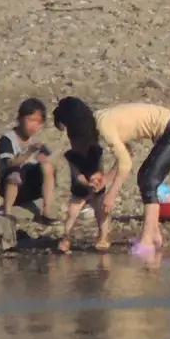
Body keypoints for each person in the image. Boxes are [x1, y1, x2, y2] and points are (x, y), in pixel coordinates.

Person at [55, 96, 170, 254]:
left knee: (148, 182)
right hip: (167, 130)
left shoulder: (104, 127)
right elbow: (128, 152)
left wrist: (112, 193)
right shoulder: (98, 120)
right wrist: (106, 179)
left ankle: (147, 241)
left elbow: (125, 163)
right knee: (146, 179)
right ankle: (154, 235)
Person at [52, 97, 111, 253]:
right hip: (80, 189)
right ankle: (66, 238)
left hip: (97, 188)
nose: (78, 147)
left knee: (101, 211)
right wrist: (87, 184)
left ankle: (103, 237)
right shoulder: (72, 156)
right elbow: (77, 175)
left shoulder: (95, 151)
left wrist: (95, 180)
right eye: (75, 144)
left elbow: (99, 170)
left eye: (80, 144)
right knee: (72, 212)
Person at [0, 98, 56, 221]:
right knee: (15, 171)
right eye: (30, 120)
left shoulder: (35, 142)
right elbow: (9, 163)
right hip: (9, 185)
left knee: (47, 166)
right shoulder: (8, 139)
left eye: (38, 122)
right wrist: (29, 152)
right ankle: (7, 212)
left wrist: (44, 159)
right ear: (20, 119)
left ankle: (46, 212)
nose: (34, 125)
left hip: (32, 188)